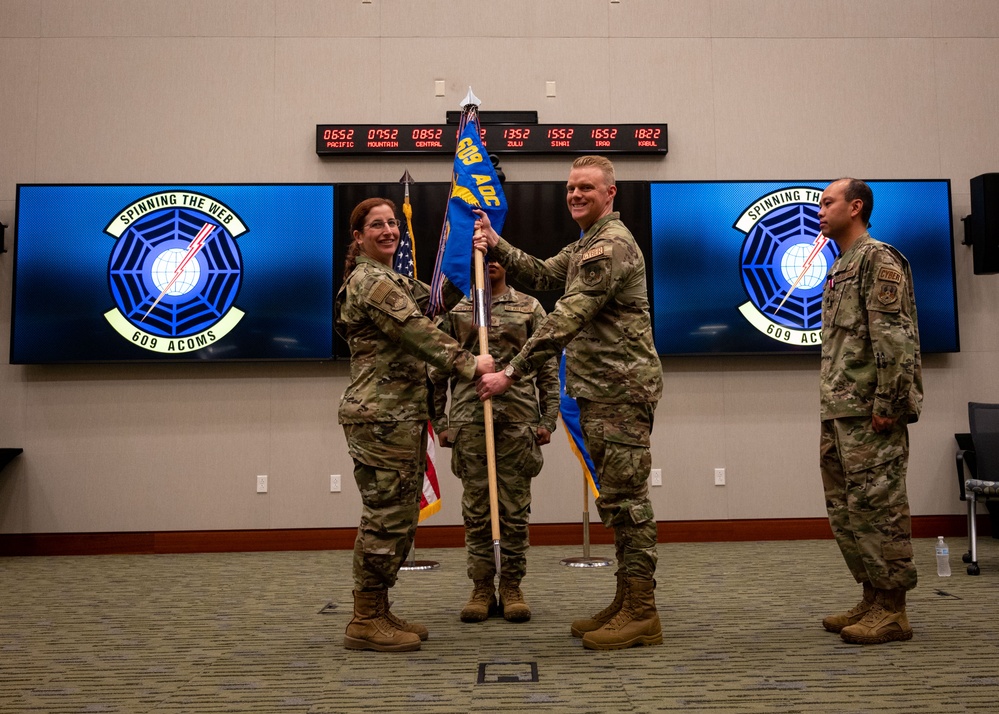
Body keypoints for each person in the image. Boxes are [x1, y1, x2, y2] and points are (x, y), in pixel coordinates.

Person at [474, 155, 664, 650]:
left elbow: (565, 317)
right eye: (571, 187)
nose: (575, 195)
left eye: (586, 188)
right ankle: (627, 601)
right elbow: (539, 273)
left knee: (628, 504)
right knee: (617, 504)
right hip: (600, 391)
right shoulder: (586, 246)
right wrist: (496, 243)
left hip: (621, 392)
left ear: (610, 194)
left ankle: (642, 611)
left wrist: (511, 373)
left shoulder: (610, 247)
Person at [335, 197, 494, 652]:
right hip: (380, 417)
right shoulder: (370, 282)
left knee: (400, 518)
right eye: (376, 225)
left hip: (399, 415)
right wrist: (472, 364)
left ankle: (378, 608)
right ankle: (364, 618)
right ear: (359, 236)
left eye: (392, 223)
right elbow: (417, 331)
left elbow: (440, 298)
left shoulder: (394, 280)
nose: (388, 230)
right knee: (385, 519)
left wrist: (473, 245)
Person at [817, 177, 922, 645]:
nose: (819, 210)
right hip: (841, 409)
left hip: (871, 412)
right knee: (848, 510)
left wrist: (890, 403)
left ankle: (894, 609)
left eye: (827, 202)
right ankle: (872, 596)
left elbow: (895, 338)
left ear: (855, 206)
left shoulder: (879, 259)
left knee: (880, 508)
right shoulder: (841, 265)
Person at [431, 259, 560, 624]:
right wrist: (440, 421)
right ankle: (482, 586)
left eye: (495, 256)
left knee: (514, 510)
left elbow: (548, 366)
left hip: (518, 421)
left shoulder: (530, 307)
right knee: (477, 510)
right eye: (482, 259)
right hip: (471, 421)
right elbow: (437, 369)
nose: (490, 265)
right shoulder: (458, 311)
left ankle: (512, 585)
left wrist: (548, 419)